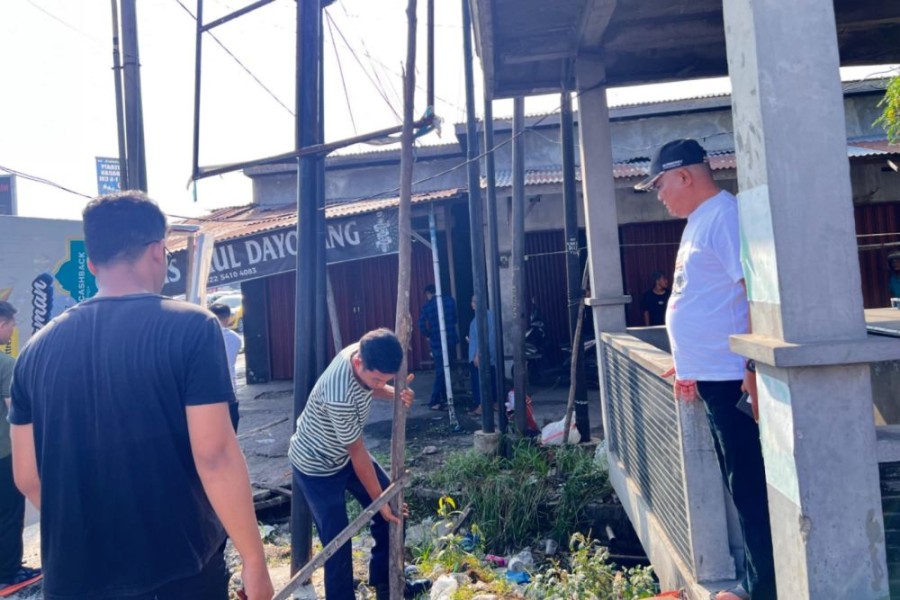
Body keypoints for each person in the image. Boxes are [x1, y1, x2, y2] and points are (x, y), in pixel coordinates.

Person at [9, 192, 273, 600]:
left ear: (93, 264)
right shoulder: (193, 328)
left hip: (73, 578)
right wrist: (255, 562)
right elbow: (215, 456)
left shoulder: (33, 352)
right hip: (176, 570)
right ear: (157, 251)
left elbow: (27, 477)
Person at [636, 139, 775, 600]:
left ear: (684, 176)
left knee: (749, 484)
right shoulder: (699, 221)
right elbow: (705, 300)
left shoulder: (724, 217)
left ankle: (763, 589)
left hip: (734, 380)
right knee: (740, 483)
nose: (659, 195)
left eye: (660, 185)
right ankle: (756, 581)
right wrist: (687, 362)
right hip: (712, 377)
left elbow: (754, 292)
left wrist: (752, 365)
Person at [288, 328, 429, 600]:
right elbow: (357, 453)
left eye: (386, 379)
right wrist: (379, 500)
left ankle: (389, 586)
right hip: (316, 466)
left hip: (344, 453)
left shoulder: (367, 350)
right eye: (376, 379)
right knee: (338, 541)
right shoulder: (339, 394)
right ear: (357, 362)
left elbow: (373, 387)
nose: (380, 384)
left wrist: (397, 393)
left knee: (394, 511)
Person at [0, 303, 42, 597]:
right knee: (9, 513)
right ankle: (7, 573)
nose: (13, 329)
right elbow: (14, 412)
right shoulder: (6, 364)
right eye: (12, 324)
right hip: (3, 453)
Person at [417, 284, 458, 410]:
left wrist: (428, 334)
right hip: (450, 340)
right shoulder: (450, 301)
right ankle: (445, 398)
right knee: (447, 370)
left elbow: (421, 324)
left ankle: (434, 401)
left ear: (429, 293)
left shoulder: (427, 307)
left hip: (436, 343)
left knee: (440, 371)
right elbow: (455, 319)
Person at [209, 302, 244, 432]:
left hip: (207, 393)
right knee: (231, 432)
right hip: (230, 391)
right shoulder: (235, 338)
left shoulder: (202, 337)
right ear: (228, 318)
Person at [466, 295, 496, 416]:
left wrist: (477, 355)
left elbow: (482, 337)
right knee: (492, 378)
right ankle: (494, 403)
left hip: (479, 354)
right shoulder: (492, 316)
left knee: (478, 381)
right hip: (491, 355)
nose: (472, 304)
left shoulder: (480, 318)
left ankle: (481, 406)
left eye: (473, 301)